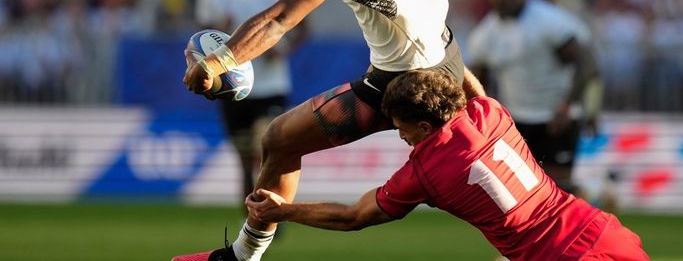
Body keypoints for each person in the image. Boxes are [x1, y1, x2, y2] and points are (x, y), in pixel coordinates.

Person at [174, 0, 519, 261]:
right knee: (479, 168)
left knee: (281, 142)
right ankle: (534, 232)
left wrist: (218, 62)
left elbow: (280, 18)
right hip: (446, 55)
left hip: (407, 84)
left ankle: (242, 257)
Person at [248, 70, 649, 261]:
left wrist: (285, 211)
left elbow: (353, 217)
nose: (401, 137)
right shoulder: (488, 112)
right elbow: (466, 81)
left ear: (424, 124)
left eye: (403, 130)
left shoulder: (425, 172)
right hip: (603, 231)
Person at [194, 0, 308, 207]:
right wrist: (216, 32)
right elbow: (201, 35)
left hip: (271, 84)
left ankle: (271, 208)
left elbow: (304, 28)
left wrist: (284, 50)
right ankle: (254, 212)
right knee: (244, 158)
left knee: (268, 148)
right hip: (230, 88)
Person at [467, 0, 603, 195]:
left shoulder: (549, 22)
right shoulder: (484, 35)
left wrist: (569, 106)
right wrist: (486, 120)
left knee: (559, 188)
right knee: (525, 191)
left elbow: (587, 64)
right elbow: (478, 84)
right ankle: (597, 193)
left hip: (556, 117)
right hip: (517, 120)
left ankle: (593, 200)